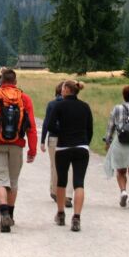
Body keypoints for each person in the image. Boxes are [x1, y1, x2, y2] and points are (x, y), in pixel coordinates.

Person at [0, 68, 37, 232]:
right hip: (17, 144)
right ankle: (10, 214)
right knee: (13, 181)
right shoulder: (24, 98)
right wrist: (32, 149)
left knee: (0, 180)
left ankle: (3, 213)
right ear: (15, 82)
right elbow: (31, 127)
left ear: (1, 81)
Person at [44, 80, 93, 231]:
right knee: (79, 182)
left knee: (62, 181)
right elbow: (89, 129)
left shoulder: (59, 106)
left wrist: (62, 132)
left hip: (63, 147)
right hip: (81, 147)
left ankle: (60, 214)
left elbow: (51, 126)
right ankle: (77, 217)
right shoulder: (85, 107)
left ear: (65, 90)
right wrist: (85, 142)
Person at [39, 81, 72, 208]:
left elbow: (46, 123)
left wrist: (42, 141)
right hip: (68, 138)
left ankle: (54, 191)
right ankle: (67, 195)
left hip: (53, 138)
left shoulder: (51, 104)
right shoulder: (71, 105)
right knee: (68, 167)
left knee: (55, 166)